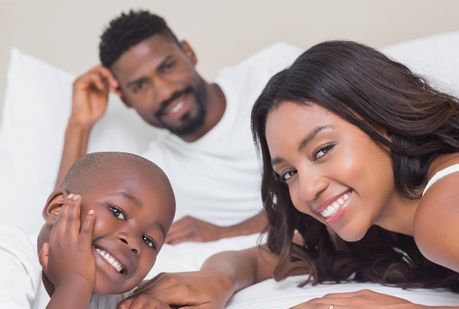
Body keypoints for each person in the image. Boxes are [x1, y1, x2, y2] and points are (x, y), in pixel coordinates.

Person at [110, 41, 459, 309]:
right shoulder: (403, 216)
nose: (307, 188)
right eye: (288, 173)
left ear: (383, 120)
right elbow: (263, 256)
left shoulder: (443, 216)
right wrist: (217, 277)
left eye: (323, 150)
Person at [56, 10, 302, 245]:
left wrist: (228, 232)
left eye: (167, 66)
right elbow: (62, 230)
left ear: (189, 53)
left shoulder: (275, 68)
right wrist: (78, 125)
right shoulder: (156, 173)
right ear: (126, 99)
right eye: (140, 86)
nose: (164, 91)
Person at [0, 152, 176, 309]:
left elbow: (182, 291)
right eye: (117, 212)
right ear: (58, 208)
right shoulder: (9, 256)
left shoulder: (105, 298)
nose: (133, 242)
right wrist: (74, 282)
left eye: (149, 241)